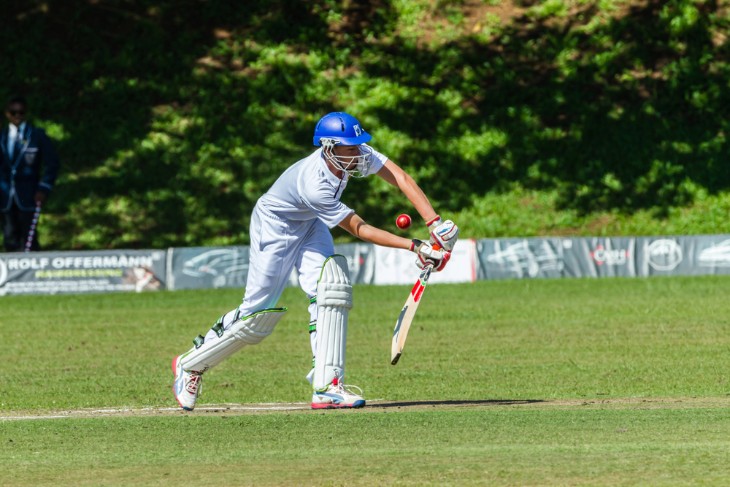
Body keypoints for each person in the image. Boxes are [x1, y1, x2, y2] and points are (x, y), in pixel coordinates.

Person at [172, 112, 459, 410]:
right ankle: (191, 365)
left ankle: (328, 386)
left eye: (359, 145)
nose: (358, 154)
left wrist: (434, 223)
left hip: (309, 223)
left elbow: (400, 177)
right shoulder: (315, 184)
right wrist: (415, 246)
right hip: (276, 225)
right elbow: (359, 228)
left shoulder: (356, 152)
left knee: (330, 289)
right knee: (257, 314)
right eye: (349, 148)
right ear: (328, 147)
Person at [0, 96, 60, 252]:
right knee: (9, 235)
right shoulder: (2, 137)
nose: (18, 115)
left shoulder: (37, 135)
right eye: (14, 112)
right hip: (5, 197)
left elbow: (52, 163)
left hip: (29, 195)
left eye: (21, 112)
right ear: (7, 114)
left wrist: (44, 187)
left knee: (29, 238)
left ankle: (30, 273)